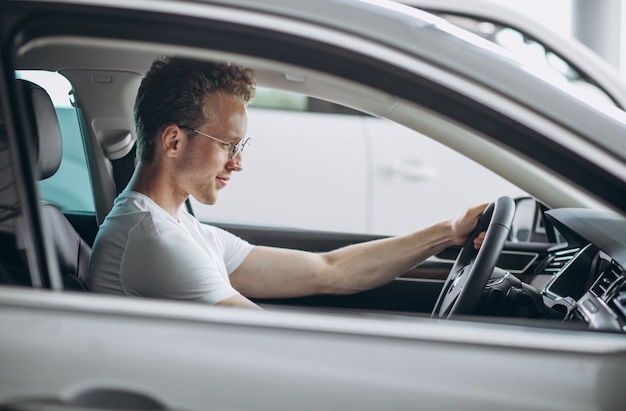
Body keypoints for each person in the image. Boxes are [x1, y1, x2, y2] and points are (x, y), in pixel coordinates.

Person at [88, 56, 487, 309]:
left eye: (240, 145)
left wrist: (448, 233)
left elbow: (329, 270)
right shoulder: (152, 239)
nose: (238, 163)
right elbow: (274, 342)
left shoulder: (179, 228)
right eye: (228, 144)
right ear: (173, 140)